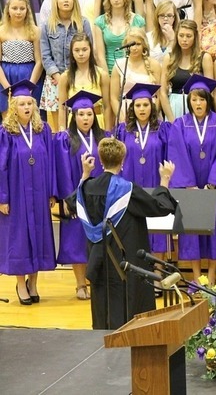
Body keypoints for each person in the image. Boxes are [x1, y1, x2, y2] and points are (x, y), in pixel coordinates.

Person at [65, 138, 177, 329]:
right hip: (124, 264)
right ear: (122, 160)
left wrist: (85, 174)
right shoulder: (126, 190)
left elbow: (71, 203)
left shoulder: (87, 188)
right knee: (127, 309)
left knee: (102, 307)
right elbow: (159, 207)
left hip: (99, 261)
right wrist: (164, 180)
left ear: (101, 160)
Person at [168, 74, 216, 285]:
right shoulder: (180, 124)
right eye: (194, 99)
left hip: (213, 188)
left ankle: (211, 279)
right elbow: (177, 154)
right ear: (189, 101)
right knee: (192, 232)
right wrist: (190, 184)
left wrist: (212, 182)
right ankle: (196, 278)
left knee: (214, 230)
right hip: (191, 188)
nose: (198, 103)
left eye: (202, 99)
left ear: (208, 100)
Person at [0, 80, 56, 305]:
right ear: (14, 107)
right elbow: (1, 167)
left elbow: (51, 162)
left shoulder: (43, 130)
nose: (26, 107)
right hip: (17, 195)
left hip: (40, 194)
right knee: (20, 239)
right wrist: (3, 197)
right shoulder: (6, 133)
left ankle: (33, 282)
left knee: (39, 236)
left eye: (29, 103)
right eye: (22, 104)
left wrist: (52, 192)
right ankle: (21, 284)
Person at [55, 91, 107, 300]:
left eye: (89, 114)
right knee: (77, 240)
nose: (86, 118)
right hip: (77, 198)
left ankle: (97, 283)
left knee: (99, 241)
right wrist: (69, 200)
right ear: (74, 116)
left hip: (100, 199)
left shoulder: (104, 138)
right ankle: (80, 284)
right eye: (81, 114)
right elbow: (62, 171)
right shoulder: (65, 139)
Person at [116, 83, 171, 256]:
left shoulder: (162, 129)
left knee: (157, 231)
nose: (142, 109)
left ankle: (158, 271)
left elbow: (168, 156)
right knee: (133, 231)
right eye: (138, 105)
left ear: (152, 106)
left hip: (155, 184)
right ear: (132, 108)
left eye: (145, 105)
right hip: (130, 187)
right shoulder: (123, 130)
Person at [40, 0, 94, 132]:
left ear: (74, 1)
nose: (66, 0)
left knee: (80, 120)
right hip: (54, 80)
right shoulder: (47, 25)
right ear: (55, 1)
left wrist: (74, 76)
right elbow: (45, 56)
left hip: (79, 78)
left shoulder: (83, 23)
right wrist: (59, 77)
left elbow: (89, 50)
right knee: (58, 127)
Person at [160, 19, 214, 122]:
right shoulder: (169, 58)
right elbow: (163, 93)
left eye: (188, 36)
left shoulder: (204, 58)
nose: (184, 39)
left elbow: (209, 92)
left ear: (195, 37)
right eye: (181, 35)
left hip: (198, 106)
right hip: (175, 106)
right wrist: (171, 120)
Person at [0, 0, 43, 118]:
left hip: (29, 75)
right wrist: (7, 87)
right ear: (8, 10)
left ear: (27, 10)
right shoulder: (1, 31)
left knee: (31, 114)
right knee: (8, 115)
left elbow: (39, 62)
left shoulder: (35, 31)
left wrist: (30, 85)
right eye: (14, 8)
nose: (18, 12)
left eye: (22, 8)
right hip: (6, 76)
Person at [58, 32, 112, 131]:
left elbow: (107, 106)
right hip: (74, 125)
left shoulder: (101, 75)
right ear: (72, 52)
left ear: (90, 50)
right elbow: (62, 108)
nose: (81, 54)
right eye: (77, 50)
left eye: (84, 49)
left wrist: (108, 131)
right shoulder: (65, 77)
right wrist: (62, 131)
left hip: (98, 124)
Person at [110, 27, 161, 124]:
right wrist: (122, 119)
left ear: (144, 45)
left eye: (138, 44)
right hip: (126, 114)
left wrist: (153, 117)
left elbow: (159, 96)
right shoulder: (119, 65)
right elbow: (114, 98)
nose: (134, 48)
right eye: (131, 44)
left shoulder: (154, 65)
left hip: (151, 115)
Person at [94, 0, 146, 75]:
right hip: (109, 72)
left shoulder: (138, 21)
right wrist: (107, 78)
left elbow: (143, 51)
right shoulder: (100, 22)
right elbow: (100, 56)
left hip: (132, 73)